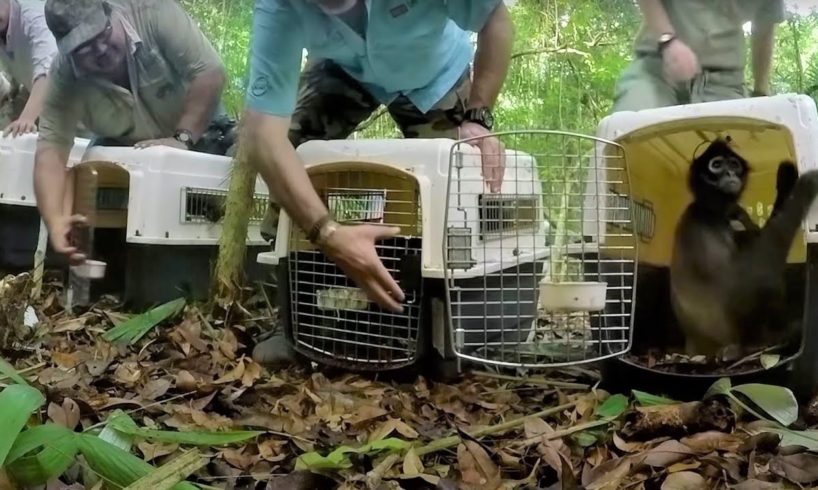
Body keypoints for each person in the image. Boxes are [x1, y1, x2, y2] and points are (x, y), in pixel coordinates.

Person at [242, 0, 514, 364]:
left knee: (459, 177)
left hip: (432, 73)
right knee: (290, 144)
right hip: (344, 69)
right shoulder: (279, 7)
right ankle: (293, 318)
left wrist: (478, 114)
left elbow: (495, 18)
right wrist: (326, 232)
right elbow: (263, 134)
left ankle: (447, 325)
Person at [34, 0, 229, 265]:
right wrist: (55, 220)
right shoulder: (64, 76)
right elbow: (50, 153)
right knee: (90, 170)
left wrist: (181, 139)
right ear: (67, 52)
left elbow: (210, 72)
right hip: (132, 155)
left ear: (110, 13)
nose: (100, 49)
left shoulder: (154, 13)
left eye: (101, 35)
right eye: (84, 49)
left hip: (203, 135)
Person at [612, 0, 785, 113]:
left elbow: (764, 32)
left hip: (724, 83)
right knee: (630, 130)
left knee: (738, 151)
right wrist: (668, 40)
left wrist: (761, 92)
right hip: (656, 69)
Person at [0, 0, 58, 136]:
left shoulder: (35, 16)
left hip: (81, 97)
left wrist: (26, 119)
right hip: (30, 89)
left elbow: (50, 69)